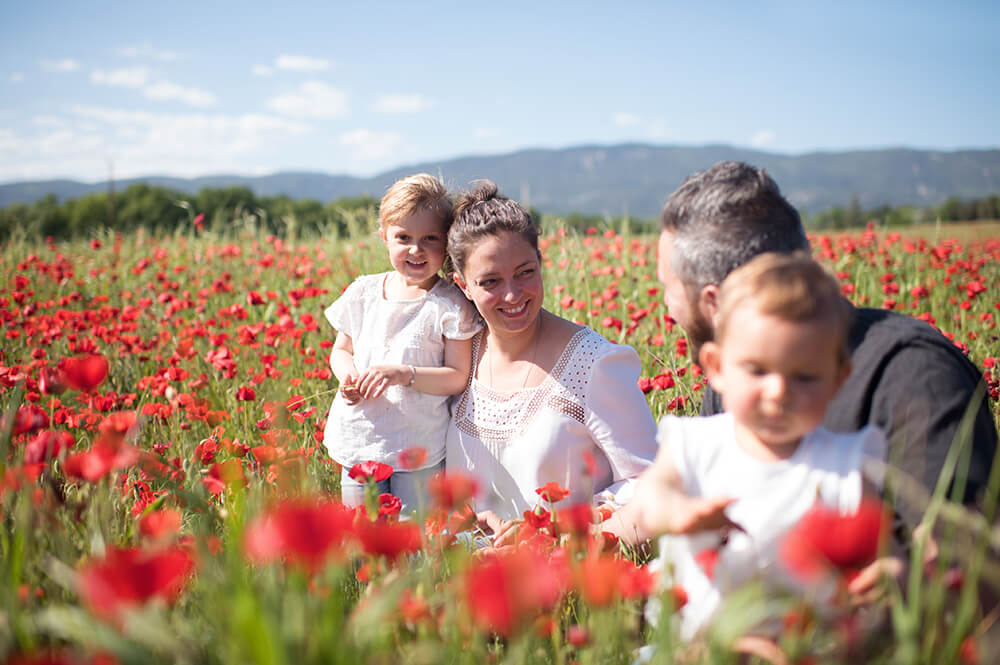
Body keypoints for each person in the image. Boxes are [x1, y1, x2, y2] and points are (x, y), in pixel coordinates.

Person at [655, 161, 997, 535]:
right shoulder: (739, 379)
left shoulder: (914, 375)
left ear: (713, 302)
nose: (667, 306)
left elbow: (961, 567)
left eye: (668, 289)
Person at [619, 252, 891, 639]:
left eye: (805, 376)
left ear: (839, 379)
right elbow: (650, 496)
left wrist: (890, 573)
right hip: (695, 649)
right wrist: (676, 511)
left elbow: (873, 553)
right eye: (758, 370)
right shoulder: (695, 445)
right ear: (716, 367)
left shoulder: (847, 464)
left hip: (803, 649)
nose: (778, 392)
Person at [445, 180, 658, 546]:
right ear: (462, 284)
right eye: (491, 281)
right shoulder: (456, 360)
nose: (512, 294)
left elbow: (653, 487)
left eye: (526, 272)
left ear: (541, 263)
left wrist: (557, 529)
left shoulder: (594, 363)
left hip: (570, 580)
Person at [324, 173, 482, 511]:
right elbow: (341, 350)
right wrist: (347, 376)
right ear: (384, 237)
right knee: (362, 529)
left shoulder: (450, 305)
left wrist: (403, 374)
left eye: (430, 238)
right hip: (361, 436)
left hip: (417, 444)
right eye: (403, 237)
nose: (416, 249)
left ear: (447, 242)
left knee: (413, 535)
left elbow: (457, 376)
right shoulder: (363, 292)